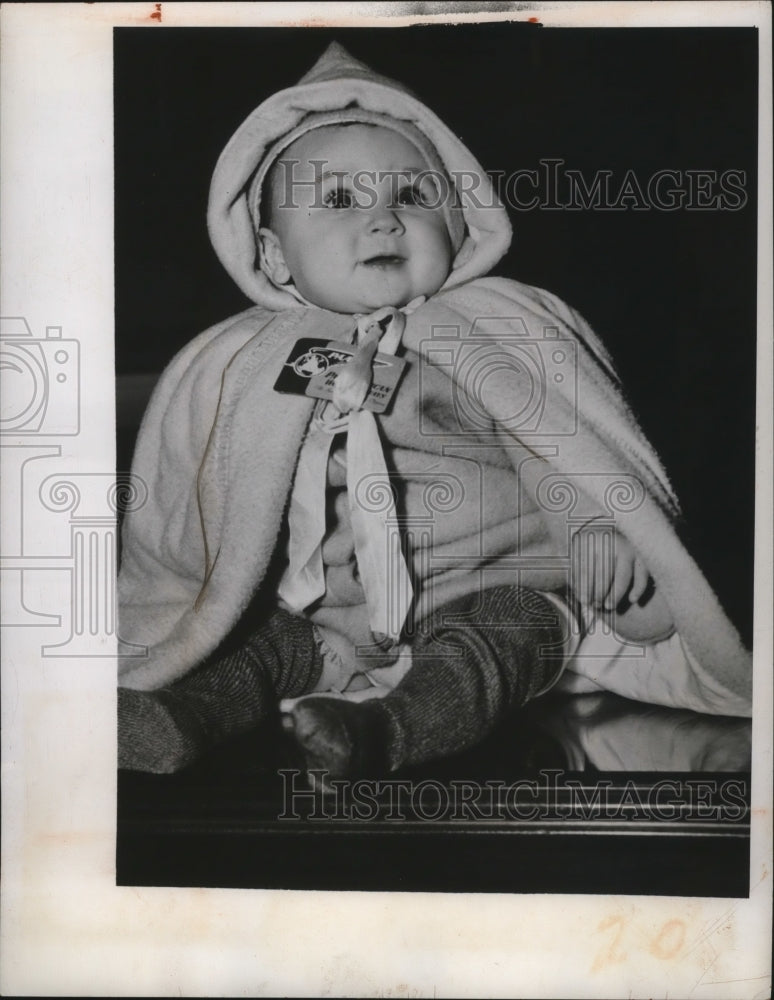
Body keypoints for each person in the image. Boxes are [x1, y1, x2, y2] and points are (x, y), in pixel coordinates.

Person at [117, 42, 751, 783]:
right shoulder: (244, 362)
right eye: (342, 201)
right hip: (332, 614)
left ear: (459, 221)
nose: (385, 221)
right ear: (275, 254)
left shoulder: (492, 330)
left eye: (413, 198)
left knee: (497, 641)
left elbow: (548, 439)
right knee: (261, 649)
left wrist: (590, 522)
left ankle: (386, 731)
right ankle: (183, 718)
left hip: (494, 585)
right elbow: (208, 490)